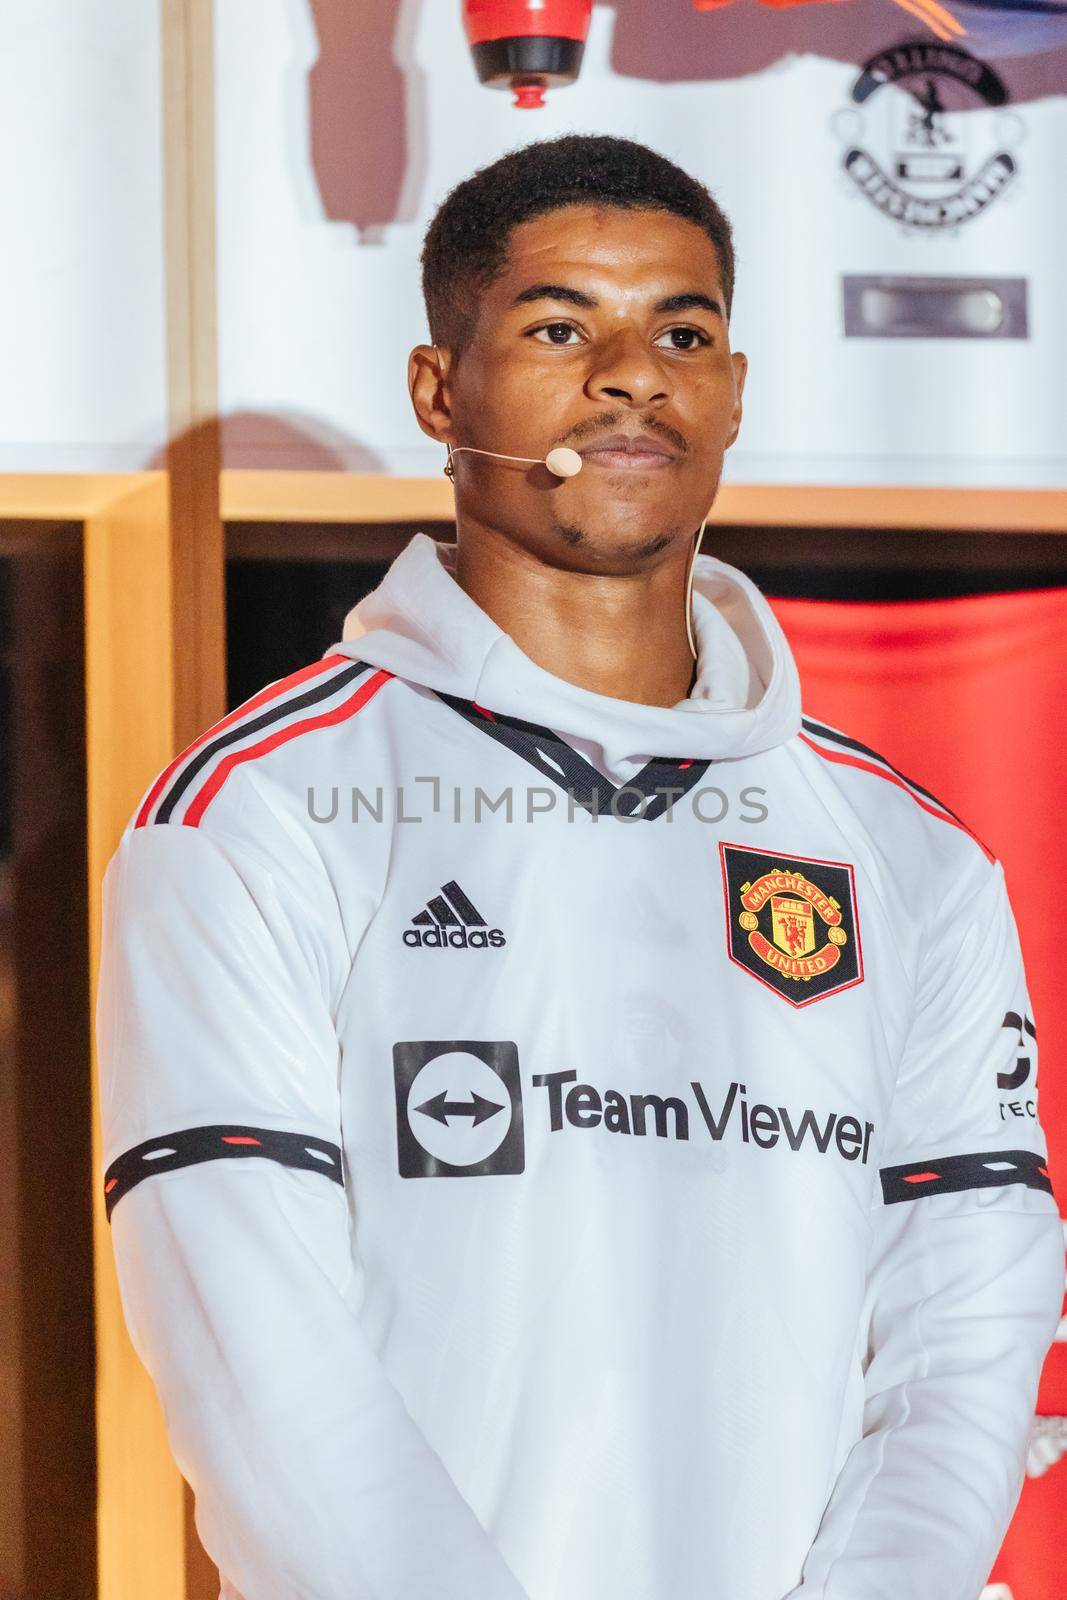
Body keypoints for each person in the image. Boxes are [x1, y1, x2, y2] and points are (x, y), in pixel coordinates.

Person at [97, 134, 1063, 1600]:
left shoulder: (912, 858)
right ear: (440, 392)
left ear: (734, 394)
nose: (632, 373)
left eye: (683, 332)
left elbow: (965, 1330)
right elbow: (252, 1341)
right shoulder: (262, 803)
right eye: (562, 328)